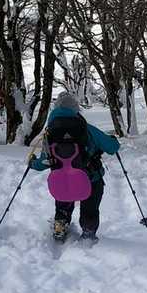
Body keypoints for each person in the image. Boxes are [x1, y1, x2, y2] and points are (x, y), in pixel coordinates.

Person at [26, 91, 120, 241]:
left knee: (63, 202)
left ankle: (60, 225)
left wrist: (32, 163)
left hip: (62, 178)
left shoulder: (49, 133)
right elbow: (112, 148)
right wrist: (113, 140)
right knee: (90, 207)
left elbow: (44, 162)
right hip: (90, 178)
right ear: (76, 109)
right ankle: (88, 231)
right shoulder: (87, 129)